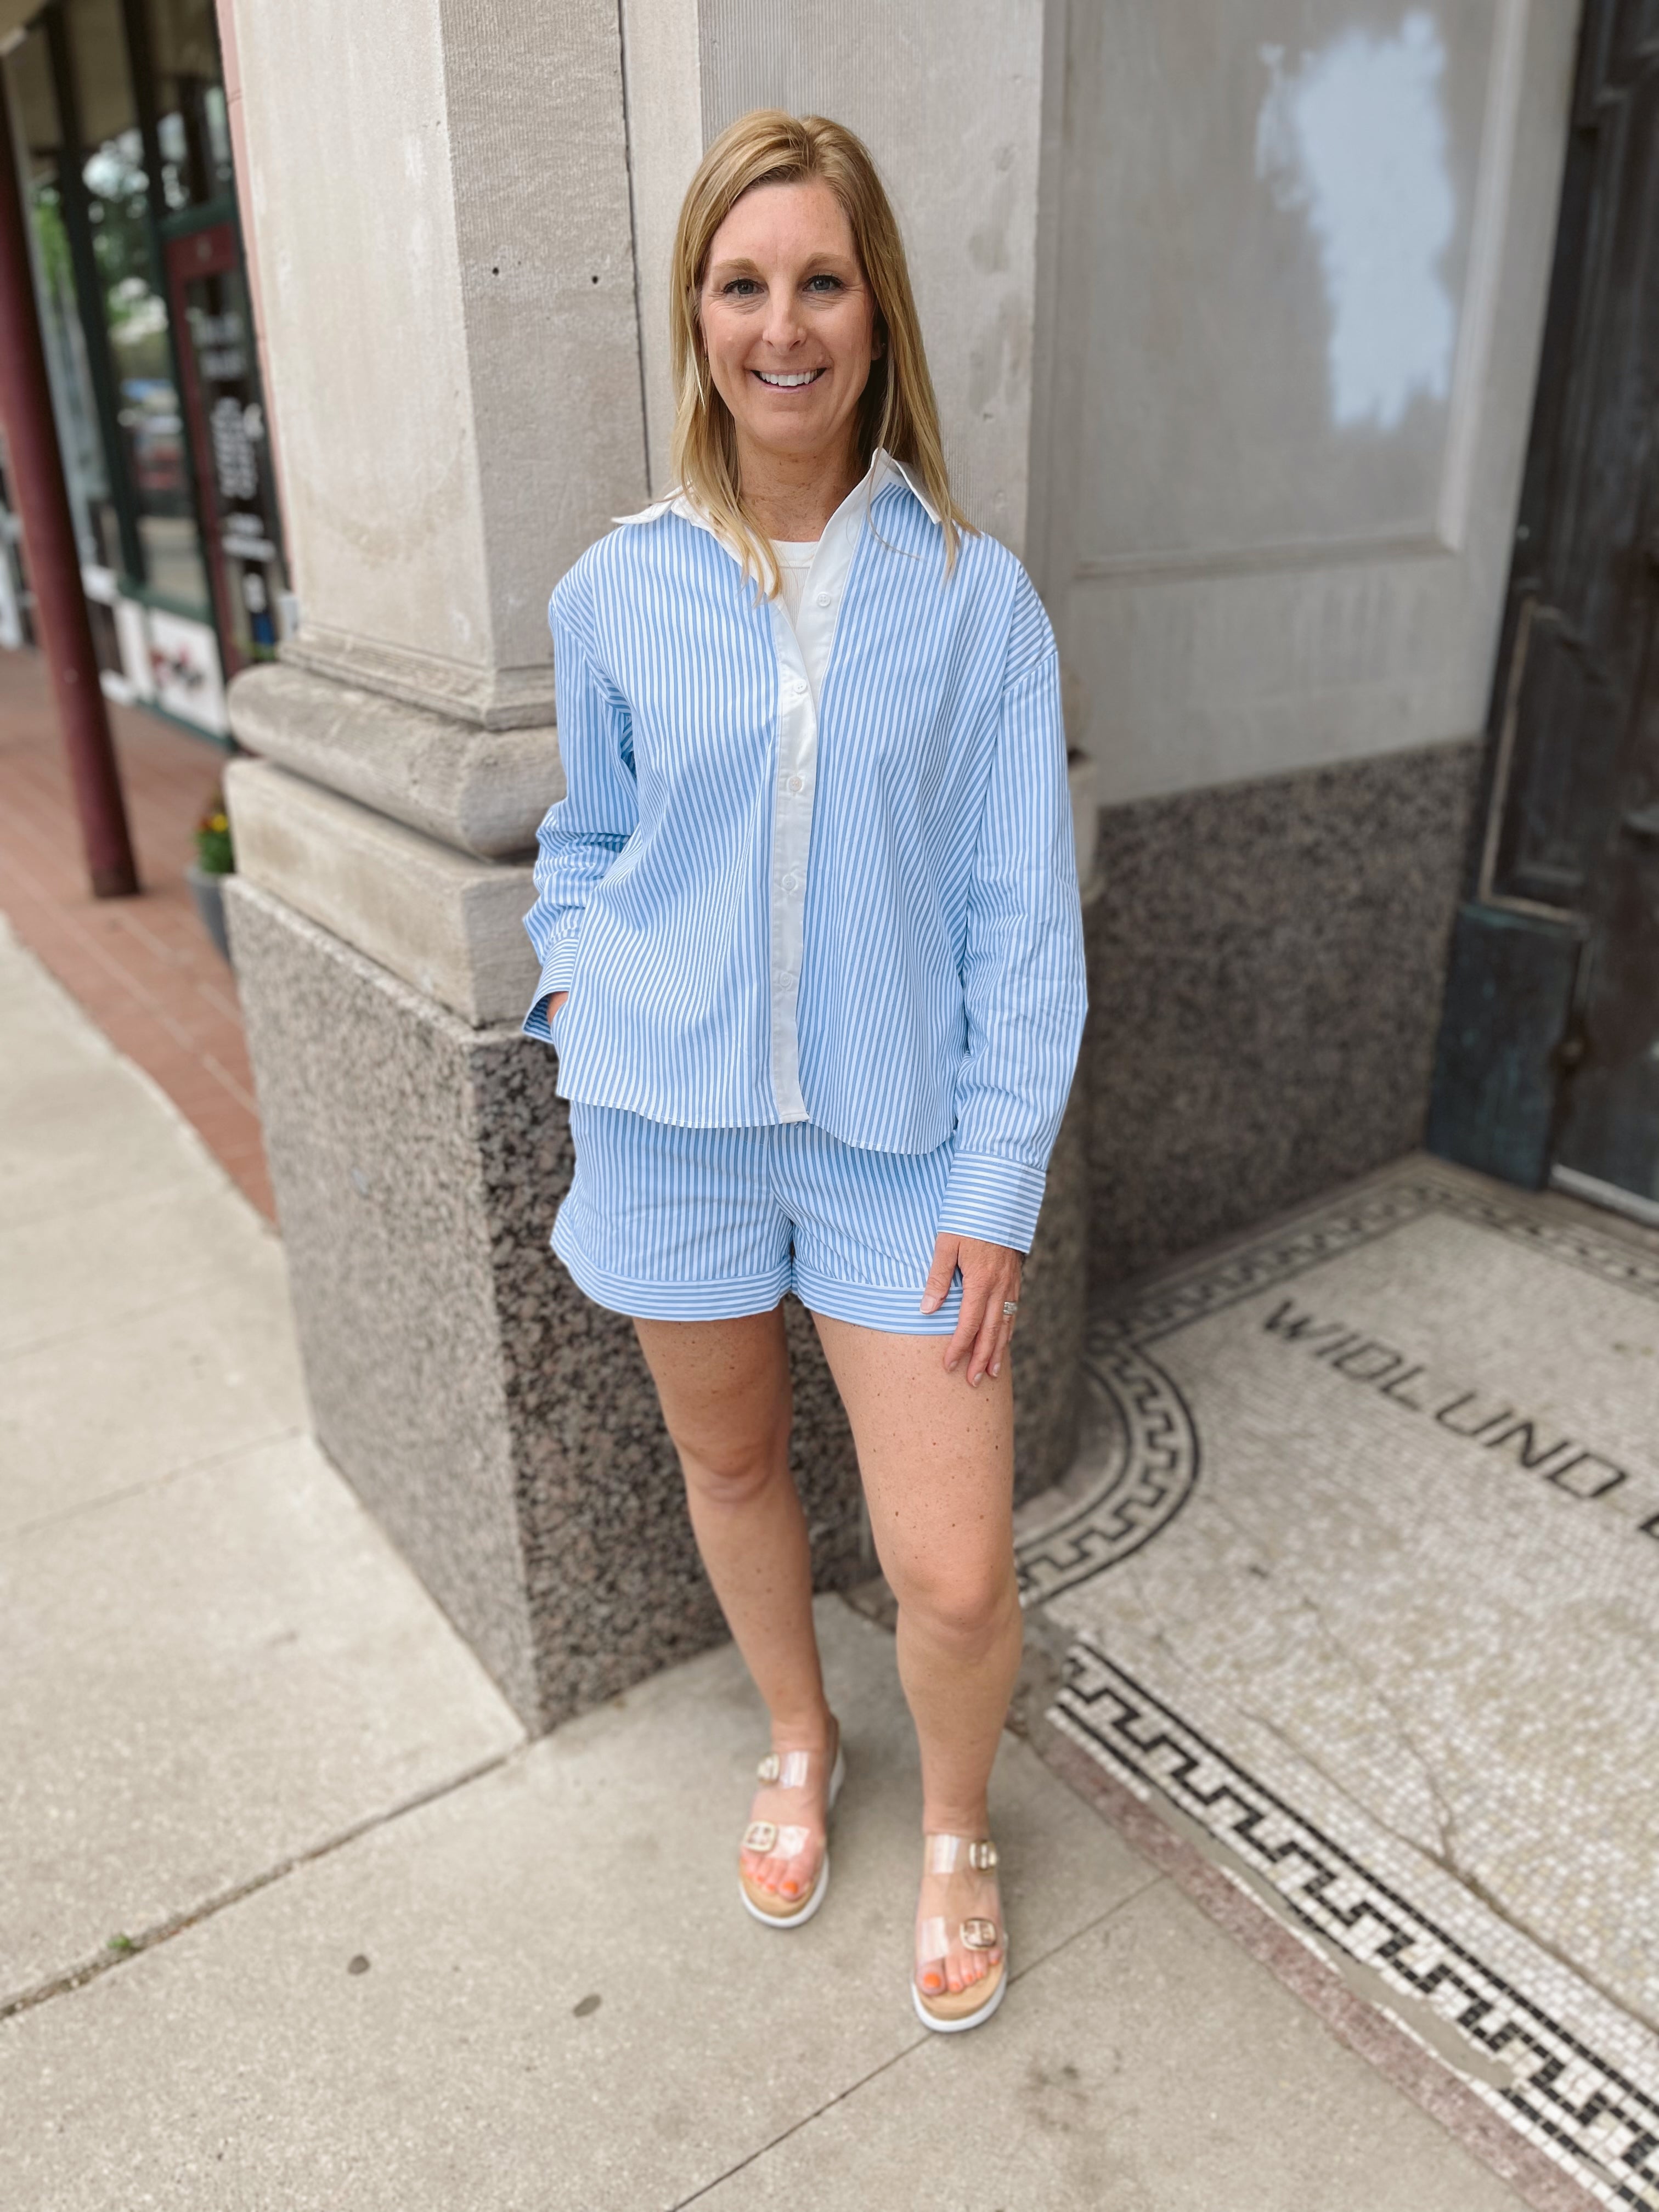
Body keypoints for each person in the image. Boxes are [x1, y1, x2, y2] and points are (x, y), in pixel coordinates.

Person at [522, 109, 1086, 2034]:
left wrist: (994, 1186)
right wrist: (577, 995)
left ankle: (952, 1823)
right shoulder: (613, 594)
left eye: (820, 280)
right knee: (733, 1458)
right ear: (698, 315)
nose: (784, 325)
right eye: (743, 283)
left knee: (948, 1570)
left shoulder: (972, 599)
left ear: (874, 310)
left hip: (895, 1153)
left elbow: (1025, 922)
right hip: (667, 1128)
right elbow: (582, 846)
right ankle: (794, 1736)